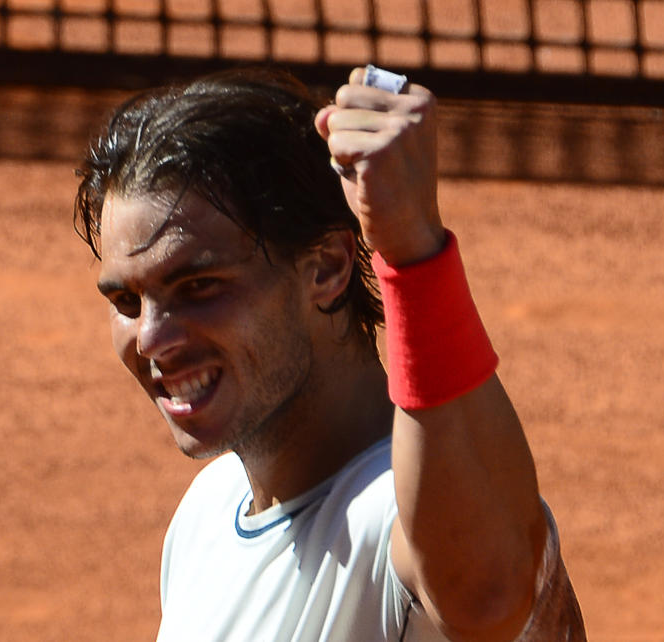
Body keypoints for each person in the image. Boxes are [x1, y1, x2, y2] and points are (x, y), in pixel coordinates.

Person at [74, 66, 585, 641]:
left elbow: (487, 595)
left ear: (328, 267)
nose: (150, 338)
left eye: (199, 287)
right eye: (126, 299)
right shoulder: (206, 515)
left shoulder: (397, 513)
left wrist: (413, 250)